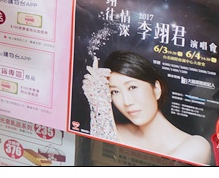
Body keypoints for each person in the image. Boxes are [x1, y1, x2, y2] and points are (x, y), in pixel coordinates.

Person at [83, 50, 212, 165]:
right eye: (114, 92)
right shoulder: (115, 131)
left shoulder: (197, 146)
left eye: (132, 87)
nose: (127, 102)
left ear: (157, 89)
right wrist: (99, 105)